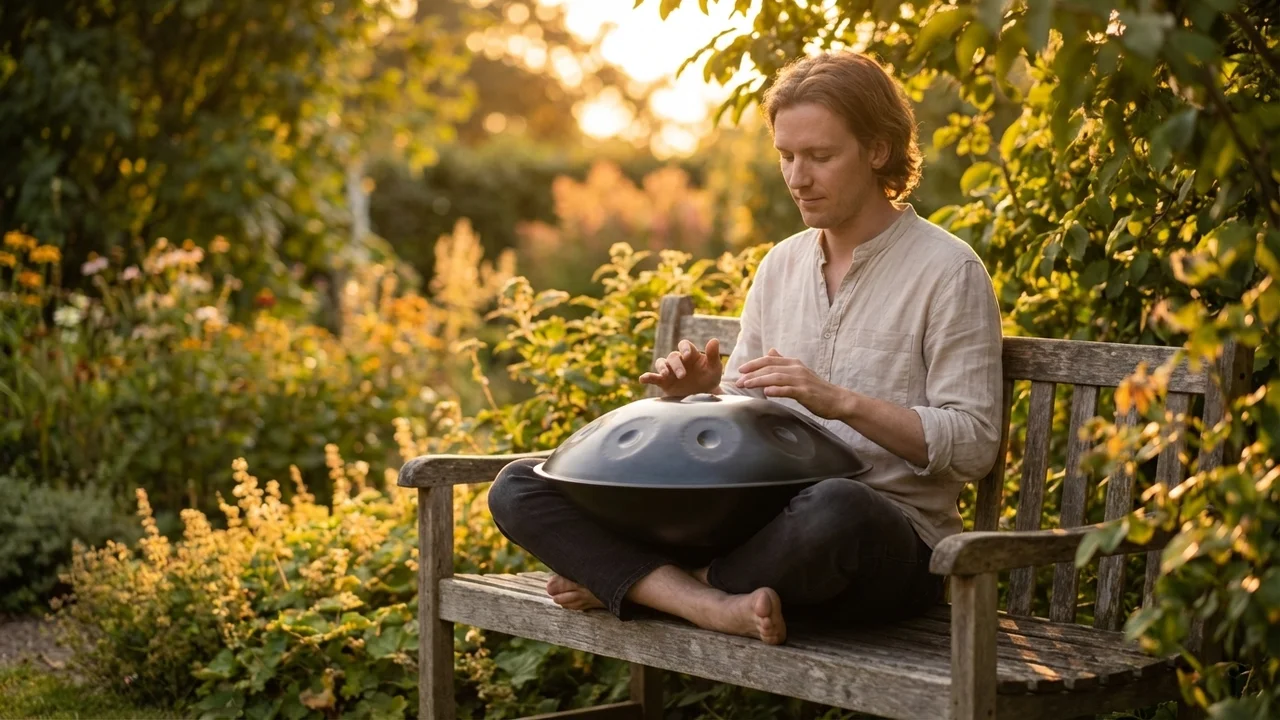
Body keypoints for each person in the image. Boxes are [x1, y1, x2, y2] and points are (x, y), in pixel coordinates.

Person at [487, 51, 1003, 645]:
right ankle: (711, 602)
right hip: (759, 532)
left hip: (879, 542)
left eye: (820, 157)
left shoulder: (948, 271)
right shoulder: (780, 265)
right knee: (520, 485)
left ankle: (656, 586)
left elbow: (974, 443)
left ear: (878, 150)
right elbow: (752, 411)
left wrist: (841, 402)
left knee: (840, 505)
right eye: (786, 156)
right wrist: (702, 398)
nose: (797, 178)